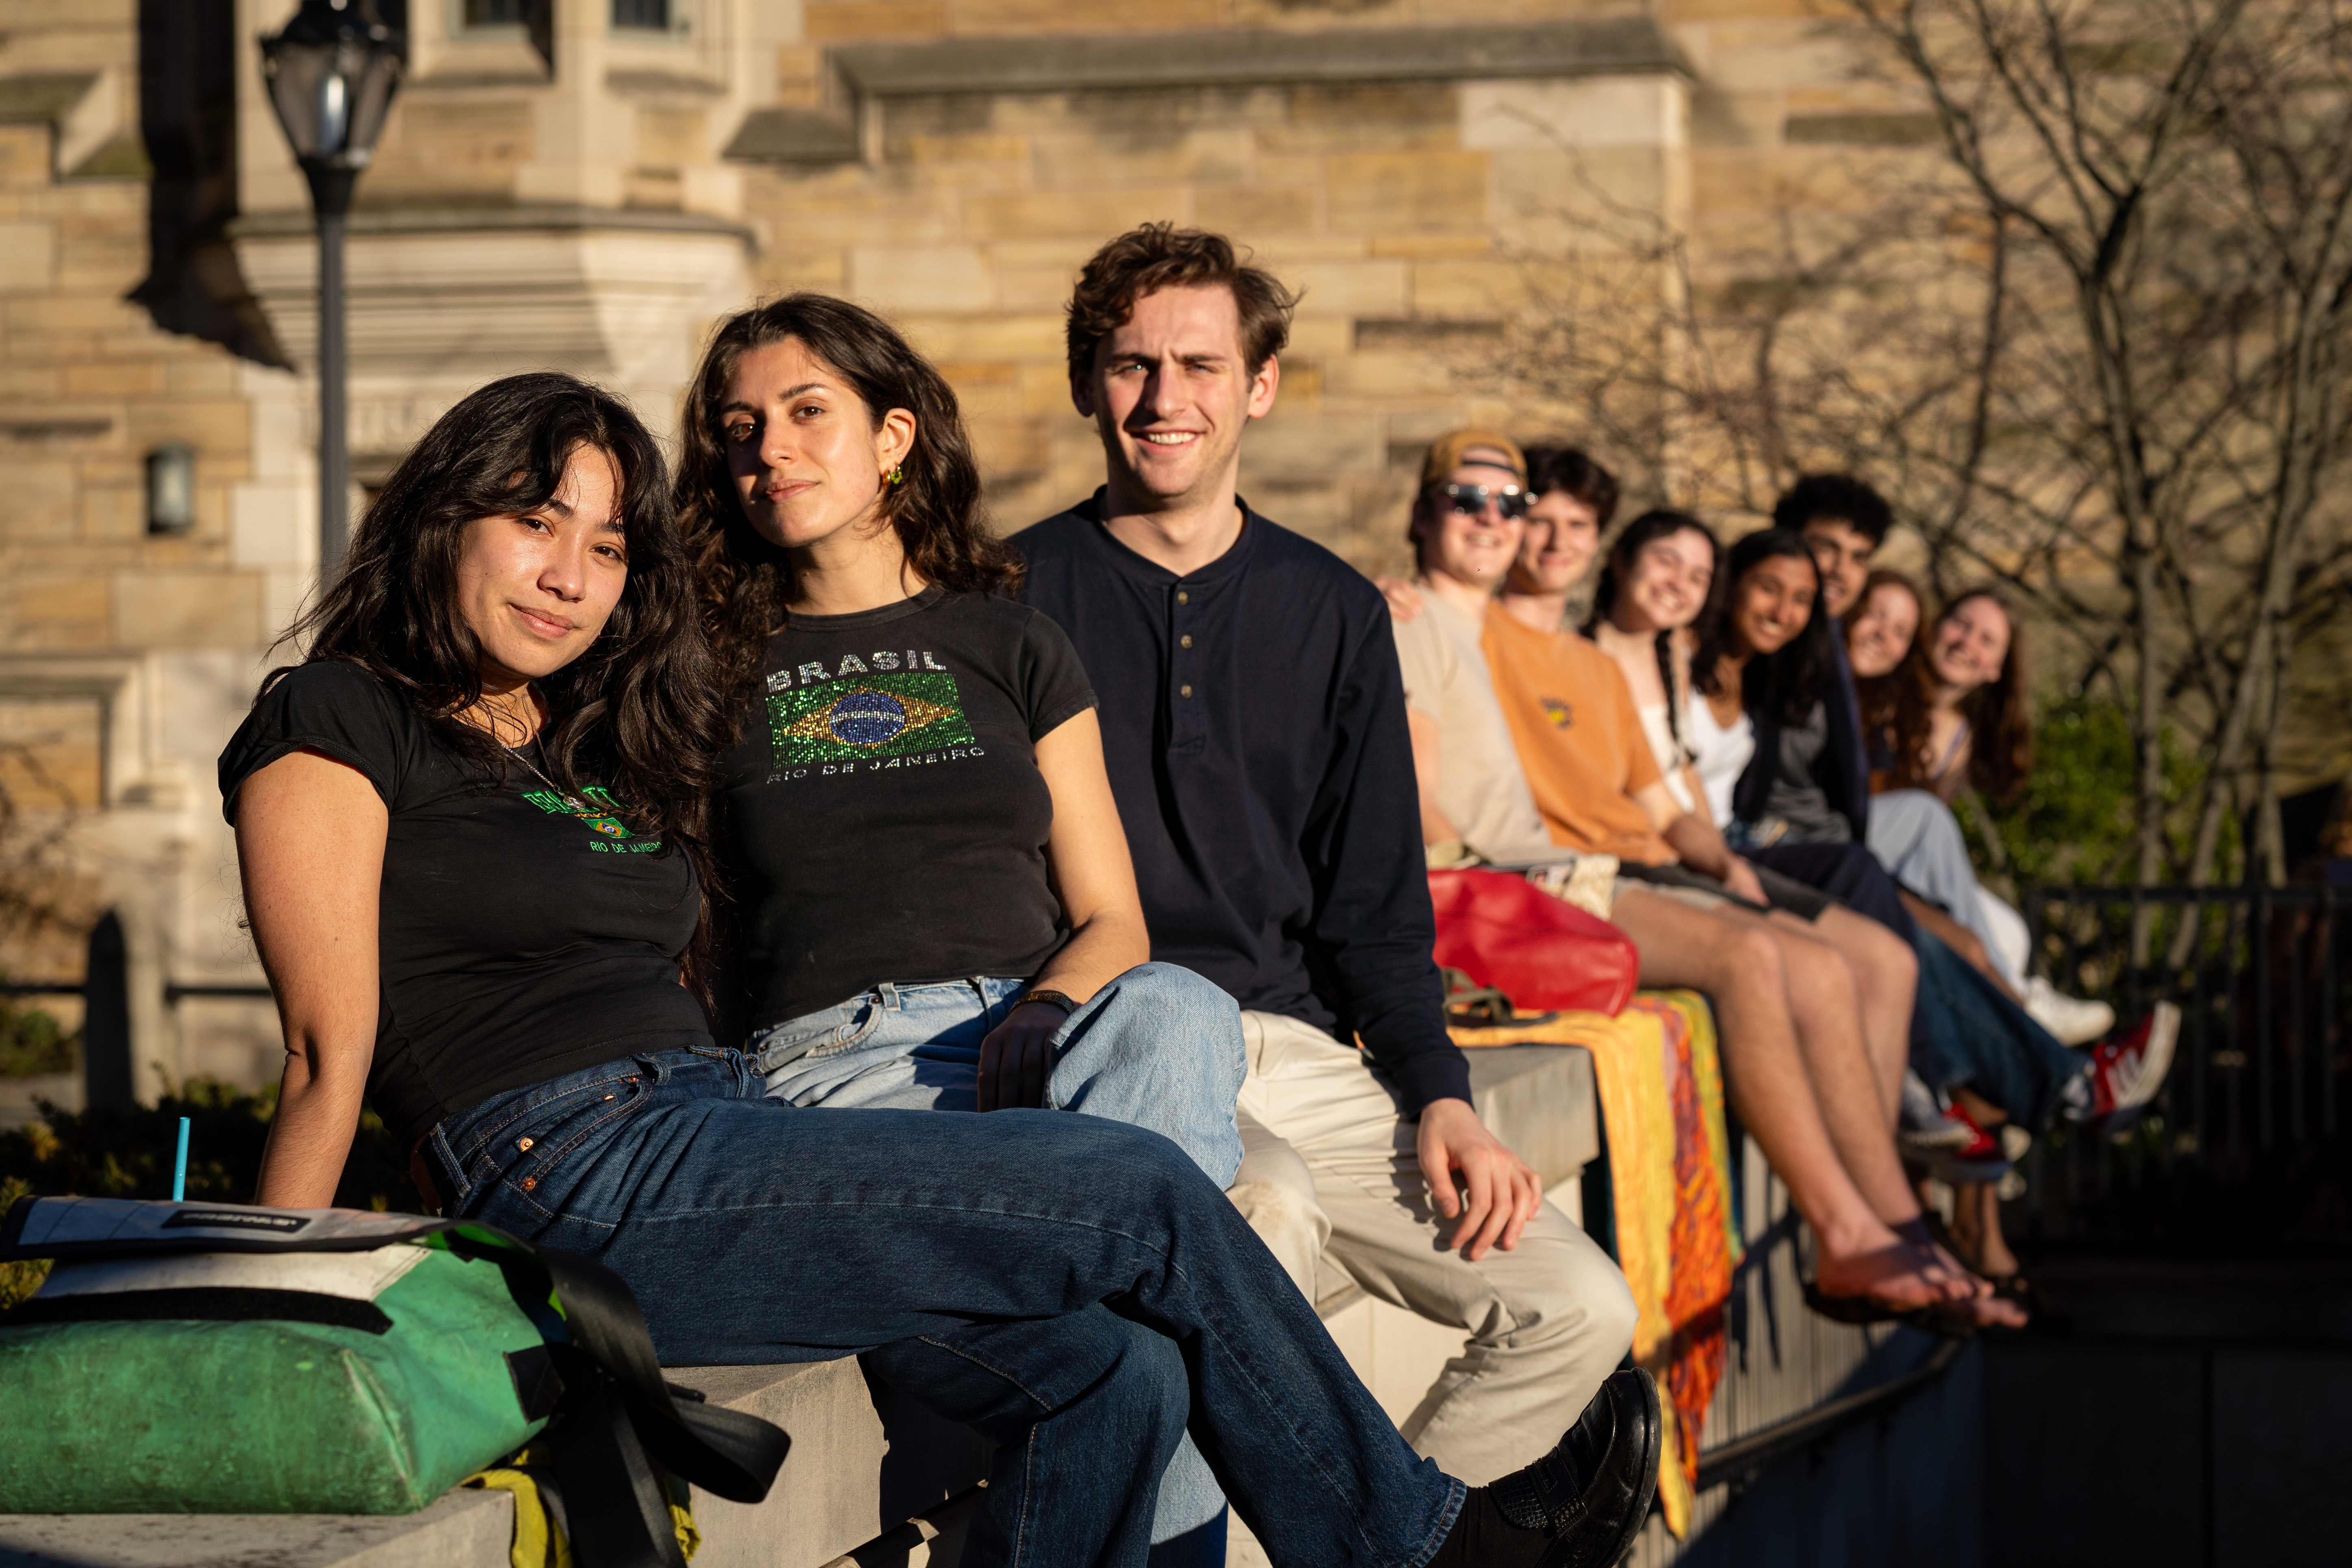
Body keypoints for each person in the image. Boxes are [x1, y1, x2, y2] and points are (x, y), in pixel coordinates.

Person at [223, 370, 1661, 1568]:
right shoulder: (339, 717)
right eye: (537, 522)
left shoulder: (583, 737)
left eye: (605, 547)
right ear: (439, 519)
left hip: (722, 1131)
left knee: (1120, 1367)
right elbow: (319, 1057)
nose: (569, 574)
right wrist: (252, 1342)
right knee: (1144, 1186)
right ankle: (1409, 1544)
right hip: (570, 1173)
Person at [1013, 226, 1649, 1501]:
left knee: (1579, 1303)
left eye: (1199, 362)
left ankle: (1384, 1532)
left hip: (1303, 1051)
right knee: (1274, 1210)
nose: (1164, 398)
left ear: (1261, 384)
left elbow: (1373, 906)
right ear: (1088, 383)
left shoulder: (1335, 608)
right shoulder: (1014, 593)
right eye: (1131, 365)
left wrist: (1442, 1092)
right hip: (1123, 1041)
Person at [1381, 439, 1983, 1323]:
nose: (1496, 520)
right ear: (1421, 513)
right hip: (1512, 891)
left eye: (1511, 504)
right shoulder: (1412, 617)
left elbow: (1652, 785)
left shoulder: (1486, 629)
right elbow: (1421, 808)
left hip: (1559, 870)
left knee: (1835, 959)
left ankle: (1883, 1221)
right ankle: (1848, 1235)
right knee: (1754, 959)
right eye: (1465, 499)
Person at [1848, 571, 2114, 1044]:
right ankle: (2017, 1003)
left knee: (2011, 931)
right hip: (1854, 838)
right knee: (1931, 828)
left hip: (1894, 856)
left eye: (1986, 640)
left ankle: (1998, 1023)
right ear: (1934, 627)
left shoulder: (1960, 740)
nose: (1967, 642)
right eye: (1960, 624)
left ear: (1997, 669)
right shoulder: (1883, 683)